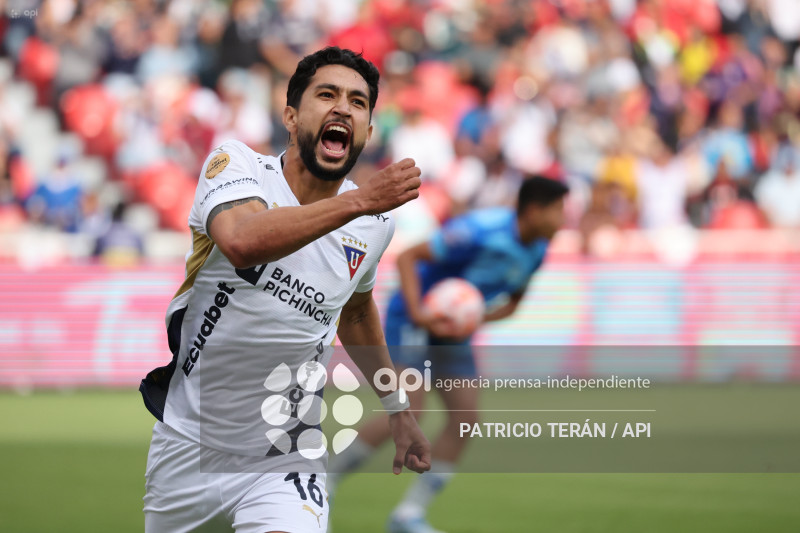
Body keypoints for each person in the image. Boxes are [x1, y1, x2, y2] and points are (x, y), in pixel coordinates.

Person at [139, 47, 431, 533]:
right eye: (327, 94)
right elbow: (242, 241)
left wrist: (396, 407)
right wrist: (360, 201)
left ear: (368, 131)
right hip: (186, 447)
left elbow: (355, 313)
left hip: (285, 452)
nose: (343, 108)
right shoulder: (236, 165)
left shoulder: (374, 225)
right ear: (291, 116)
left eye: (358, 103)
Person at [327, 176, 569, 533]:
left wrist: (474, 320)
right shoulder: (480, 230)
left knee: (466, 418)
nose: (563, 219)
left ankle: (408, 515)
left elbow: (514, 303)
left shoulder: (537, 250)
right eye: (559, 210)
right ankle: (324, 481)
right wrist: (421, 313)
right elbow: (410, 257)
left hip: (452, 330)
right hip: (412, 315)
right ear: (534, 211)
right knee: (410, 409)